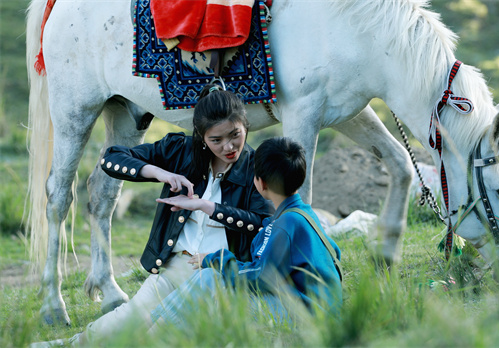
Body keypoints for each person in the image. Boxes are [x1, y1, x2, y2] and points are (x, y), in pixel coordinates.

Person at [34, 84, 274, 346]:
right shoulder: (180, 150)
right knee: (125, 320)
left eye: (234, 134)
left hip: (219, 275)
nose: (229, 146)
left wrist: (207, 207)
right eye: (216, 140)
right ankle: (70, 344)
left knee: (156, 334)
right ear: (202, 137)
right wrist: (158, 172)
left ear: (245, 125)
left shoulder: (256, 166)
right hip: (176, 268)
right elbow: (112, 158)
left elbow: (262, 224)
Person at [148, 137, 342, 330]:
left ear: (261, 183)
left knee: (210, 278)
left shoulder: (285, 224)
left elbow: (261, 277)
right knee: (211, 278)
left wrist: (217, 258)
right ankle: (154, 326)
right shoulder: (303, 213)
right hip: (320, 311)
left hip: (308, 320)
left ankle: (154, 333)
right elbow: (335, 253)